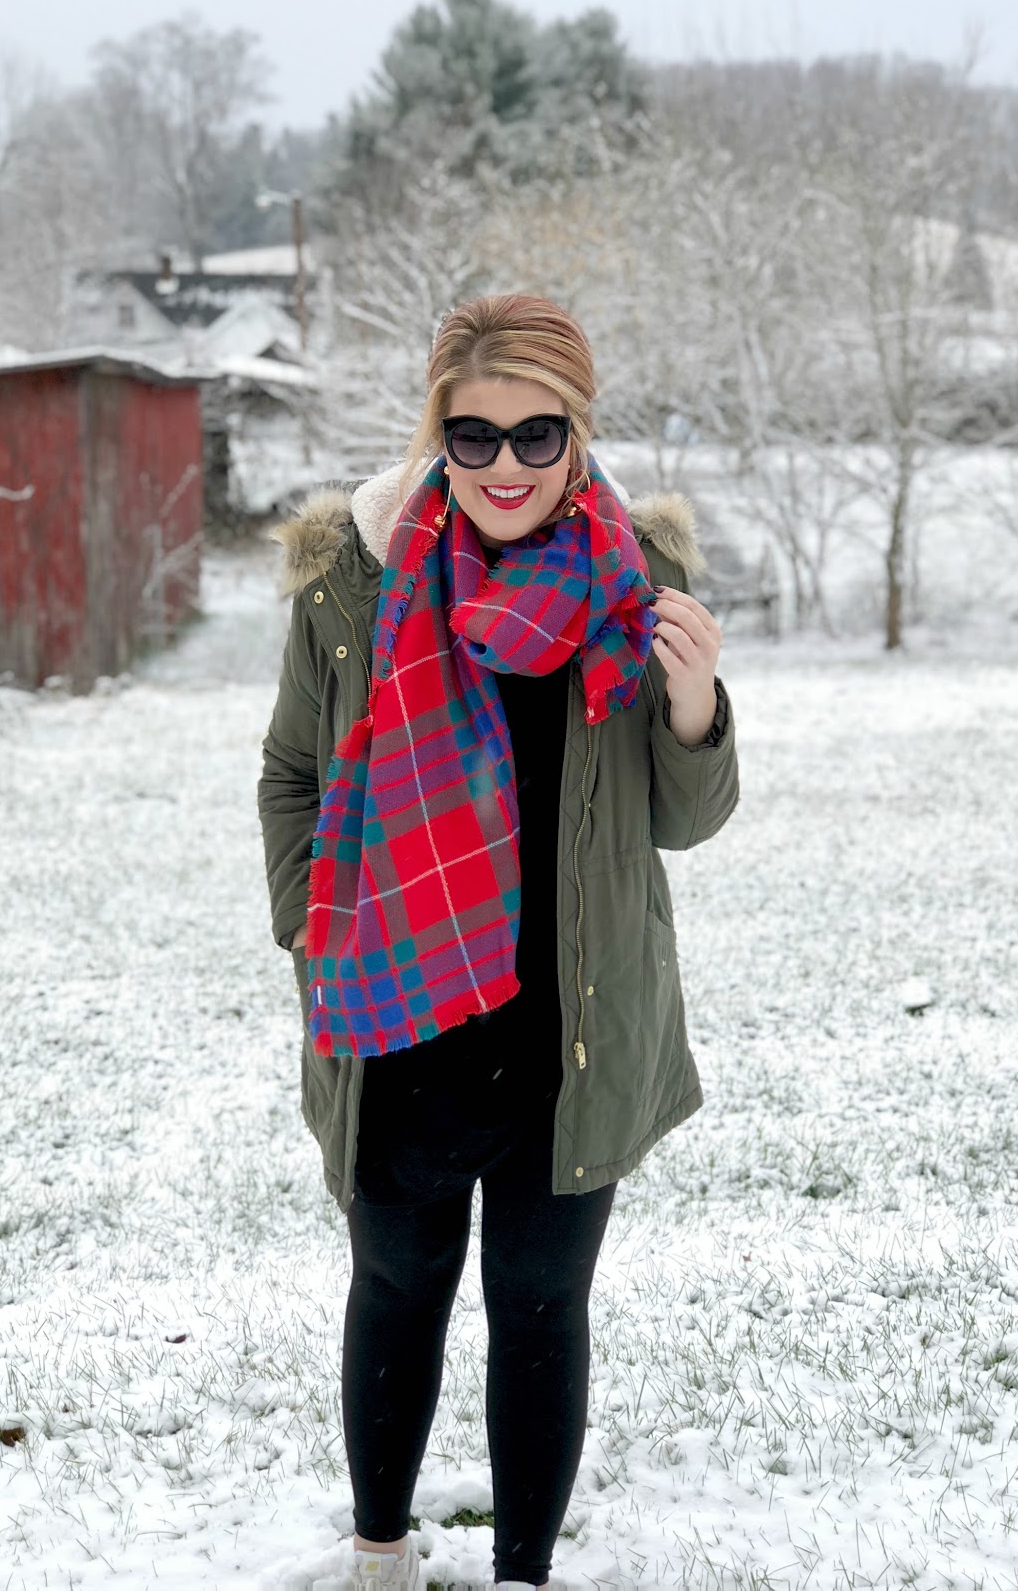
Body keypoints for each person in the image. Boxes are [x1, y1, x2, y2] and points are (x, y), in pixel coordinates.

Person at [257, 293, 739, 1590]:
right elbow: (293, 774)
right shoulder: (349, 582)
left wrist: (693, 705)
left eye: (539, 435)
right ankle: (379, 1554)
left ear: (578, 435)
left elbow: (683, 824)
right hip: (396, 1026)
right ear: (439, 436)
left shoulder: (641, 581)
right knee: (398, 1294)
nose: (507, 467)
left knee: (538, 1309)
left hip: (570, 1030)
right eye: (474, 438)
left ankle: (524, 1574)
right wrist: (319, 929)